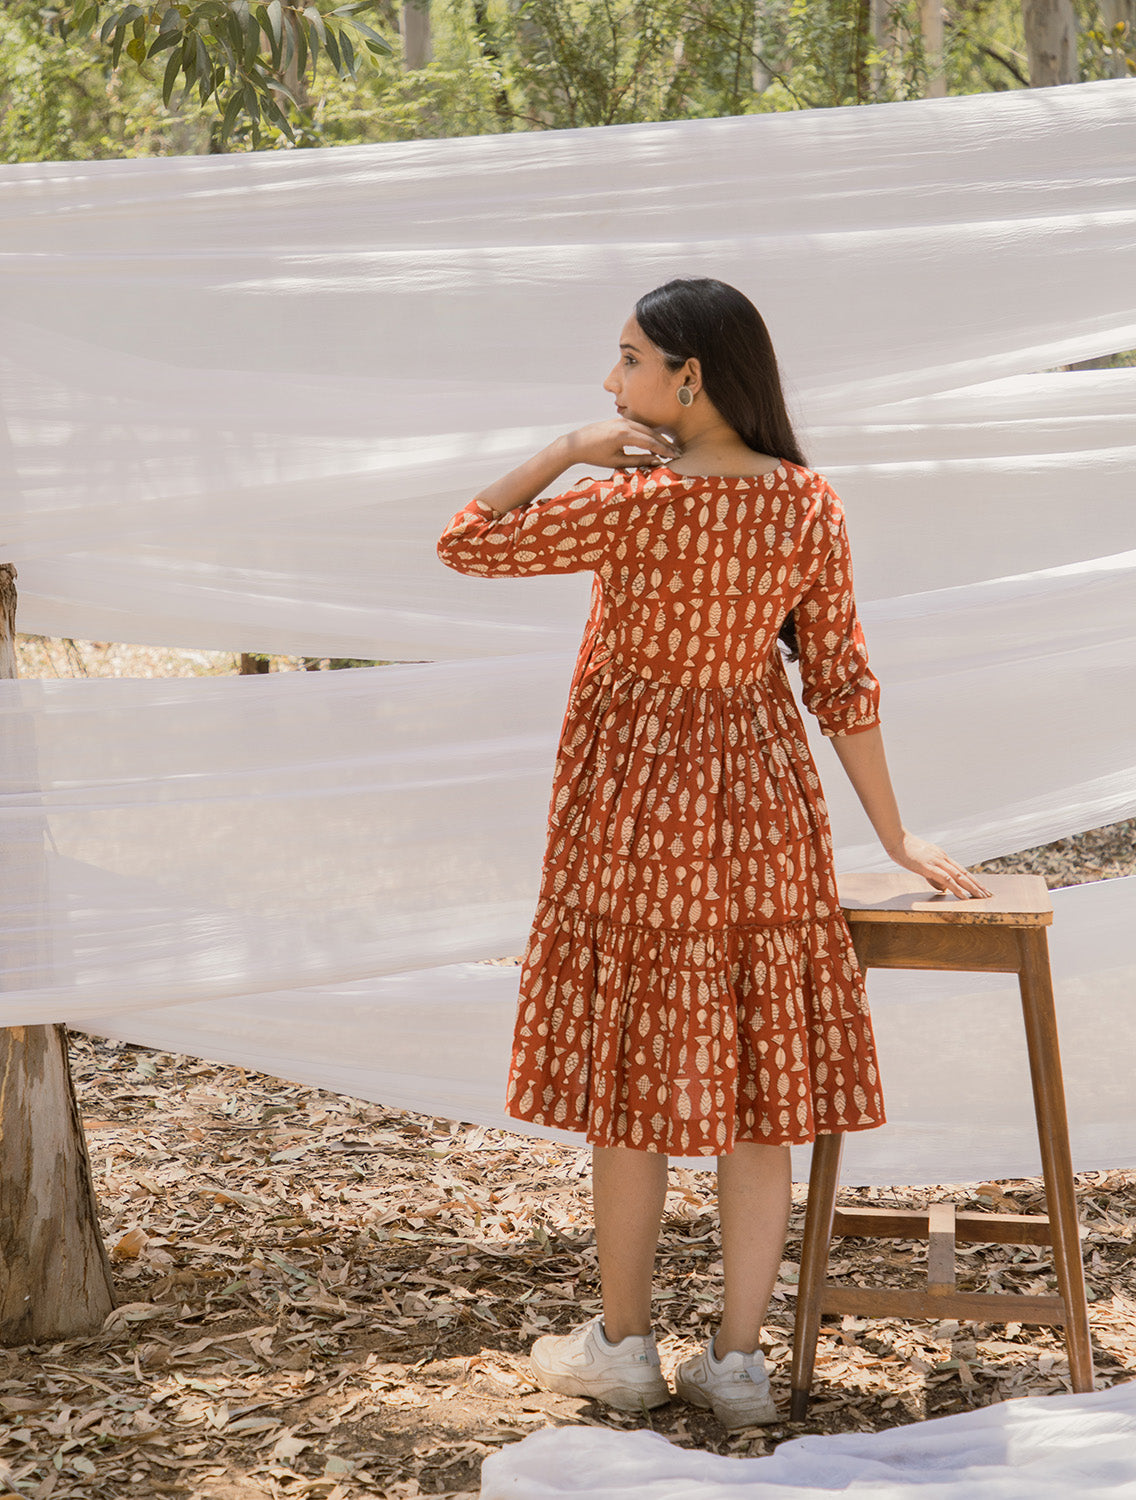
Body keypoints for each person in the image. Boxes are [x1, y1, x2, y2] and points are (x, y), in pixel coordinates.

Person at [436, 278, 990, 1430]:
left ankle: (625, 1347)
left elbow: (464, 541)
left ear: (688, 377)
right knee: (757, 1079)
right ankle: (738, 1363)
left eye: (629, 360)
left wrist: (571, 449)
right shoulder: (807, 503)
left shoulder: (631, 505)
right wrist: (894, 833)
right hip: (760, 808)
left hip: (632, 810)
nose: (611, 383)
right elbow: (838, 679)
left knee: (632, 1076)